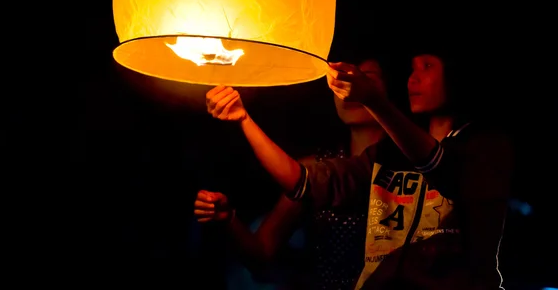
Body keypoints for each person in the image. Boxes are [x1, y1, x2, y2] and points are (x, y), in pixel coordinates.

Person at [206, 46, 514, 289]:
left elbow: (440, 166)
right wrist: (243, 119)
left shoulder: (486, 147)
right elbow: (304, 183)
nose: (413, 78)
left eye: (428, 66)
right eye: (412, 68)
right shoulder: (386, 156)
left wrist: (374, 101)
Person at [194, 53, 404, 290]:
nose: (351, 85)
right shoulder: (314, 168)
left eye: (367, 77)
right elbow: (261, 253)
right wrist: (228, 220)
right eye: (341, 77)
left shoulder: (412, 167)